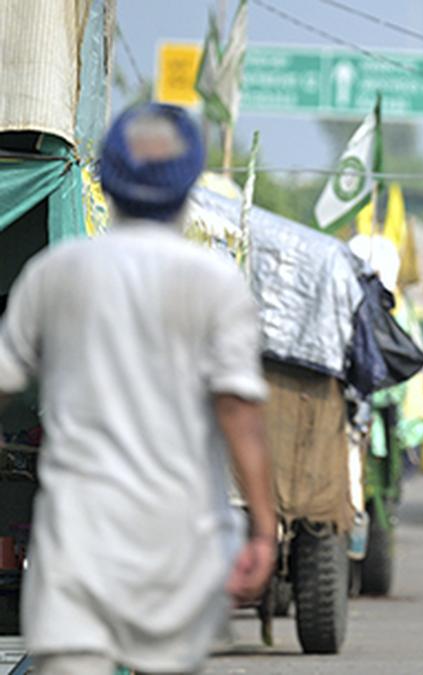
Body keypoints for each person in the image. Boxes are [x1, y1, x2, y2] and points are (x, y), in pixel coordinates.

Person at [0, 103, 275, 675]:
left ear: (108, 179)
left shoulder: (57, 272)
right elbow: (237, 410)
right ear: (189, 180)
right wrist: (265, 529)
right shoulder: (215, 281)